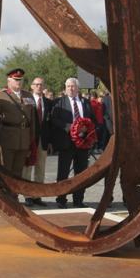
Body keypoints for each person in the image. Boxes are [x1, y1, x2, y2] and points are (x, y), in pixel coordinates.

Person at [51, 77, 93, 208]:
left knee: (81, 173)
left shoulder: (85, 102)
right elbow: (54, 119)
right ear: (65, 88)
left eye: (73, 86)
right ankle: (61, 199)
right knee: (63, 173)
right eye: (68, 86)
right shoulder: (59, 102)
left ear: (78, 88)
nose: (70, 88)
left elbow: (92, 120)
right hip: (66, 142)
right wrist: (70, 127)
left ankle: (78, 200)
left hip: (83, 143)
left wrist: (87, 129)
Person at [0, 68, 35, 179]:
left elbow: (33, 119)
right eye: (16, 79)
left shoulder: (28, 96)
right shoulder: (1, 95)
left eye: (20, 79)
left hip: (24, 138)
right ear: (9, 80)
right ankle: (5, 194)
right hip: (8, 138)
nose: (19, 82)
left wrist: (32, 137)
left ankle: (14, 195)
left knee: (18, 171)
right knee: (6, 170)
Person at [22, 76, 52, 206]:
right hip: (30, 139)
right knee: (27, 166)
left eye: (41, 84)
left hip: (43, 140)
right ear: (32, 86)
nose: (39, 86)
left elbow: (50, 124)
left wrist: (50, 141)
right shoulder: (26, 100)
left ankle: (37, 195)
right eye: (36, 84)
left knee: (41, 167)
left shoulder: (49, 102)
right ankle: (27, 195)